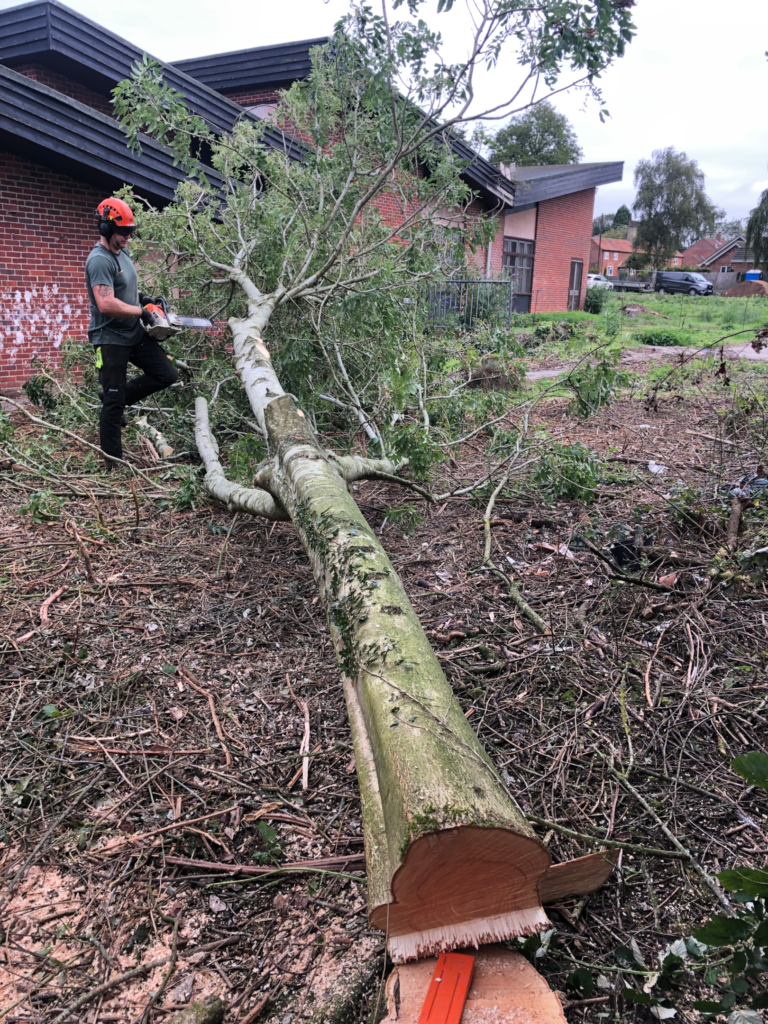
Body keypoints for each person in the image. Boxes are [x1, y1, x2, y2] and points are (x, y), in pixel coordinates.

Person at [86, 198, 178, 468]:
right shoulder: (99, 261)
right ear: (105, 228)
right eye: (123, 232)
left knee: (166, 374)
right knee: (114, 407)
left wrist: (146, 299)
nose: (127, 237)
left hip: (133, 332)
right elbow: (106, 303)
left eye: (130, 232)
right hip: (109, 338)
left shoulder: (122, 252)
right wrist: (141, 312)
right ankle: (114, 467)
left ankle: (113, 395)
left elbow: (125, 290)